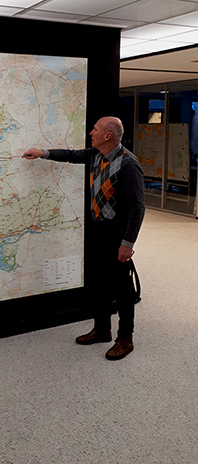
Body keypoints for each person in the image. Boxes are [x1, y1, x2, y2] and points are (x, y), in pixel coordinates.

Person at [22, 116, 145, 360]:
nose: (91, 132)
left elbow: (137, 208)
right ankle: (102, 329)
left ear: (108, 135)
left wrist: (127, 244)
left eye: (95, 129)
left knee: (122, 290)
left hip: (117, 236)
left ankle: (126, 338)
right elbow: (71, 155)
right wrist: (42, 153)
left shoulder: (128, 164)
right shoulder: (96, 155)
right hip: (98, 231)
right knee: (99, 284)